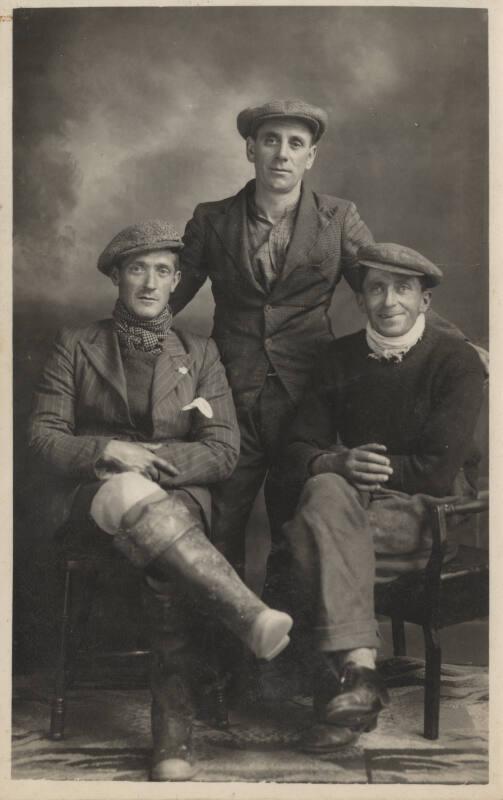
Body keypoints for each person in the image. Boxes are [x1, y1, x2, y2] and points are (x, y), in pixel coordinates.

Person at [169, 98, 484, 590]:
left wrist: (461, 342)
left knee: (295, 521)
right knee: (222, 520)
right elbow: (168, 296)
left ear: (311, 157)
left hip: (309, 395)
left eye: (296, 144)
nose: (281, 154)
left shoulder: (338, 218)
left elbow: (390, 289)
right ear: (251, 147)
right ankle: (225, 653)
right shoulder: (212, 219)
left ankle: (289, 649)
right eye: (271, 140)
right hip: (230, 393)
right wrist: (123, 341)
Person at [27, 220, 293, 781]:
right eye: (138, 269)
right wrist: (109, 449)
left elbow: (223, 449)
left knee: (164, 549)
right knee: (129, 491)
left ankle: (171, 735)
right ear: (118, 277)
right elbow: (44, 437)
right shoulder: (76, 345)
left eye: (163, 271)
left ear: (177, 282)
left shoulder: (200, 354)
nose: (151, 283)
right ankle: (245, 617)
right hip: (93, 499)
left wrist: (154, 464)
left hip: (176, 505)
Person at [280, 242, 485, 753]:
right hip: (351, 507)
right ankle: (363, 674)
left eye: (402, 288)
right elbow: (297, 446)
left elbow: (438, 471)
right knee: (323, 487)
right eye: (376, 288)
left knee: (304, 540)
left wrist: (363, 471)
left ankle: (344, 697)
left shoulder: (455, 360)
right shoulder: (338, 357)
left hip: (426, 511)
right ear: (361, 299)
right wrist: (333, 462)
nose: (388, 299)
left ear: (424, 301)